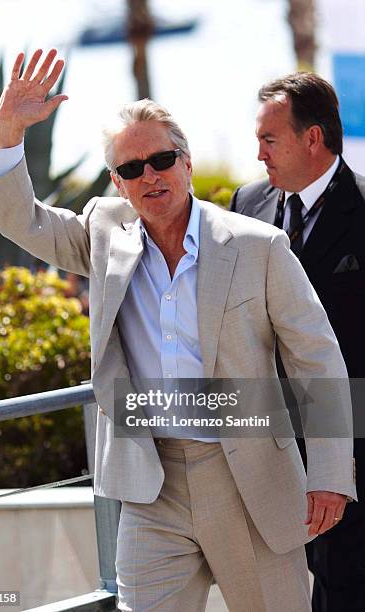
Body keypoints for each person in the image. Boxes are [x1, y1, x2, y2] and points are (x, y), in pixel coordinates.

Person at [0, 50, 356, 612]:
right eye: (131, 169)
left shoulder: (259, 245)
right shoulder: (104, 232)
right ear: (117, 182)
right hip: (149, 482)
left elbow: (316, 360)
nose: (148, 176)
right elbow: (22, 220)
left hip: (250, 478)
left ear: (185, 161)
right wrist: (9, 133)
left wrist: (329, 472)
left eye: (160, 159)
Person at [231, 72, 365, 612]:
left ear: (313, 139)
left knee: (342, 590)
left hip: (348, 445)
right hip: (264, 441)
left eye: (269, 139)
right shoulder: (246, 203)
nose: (258, 153)